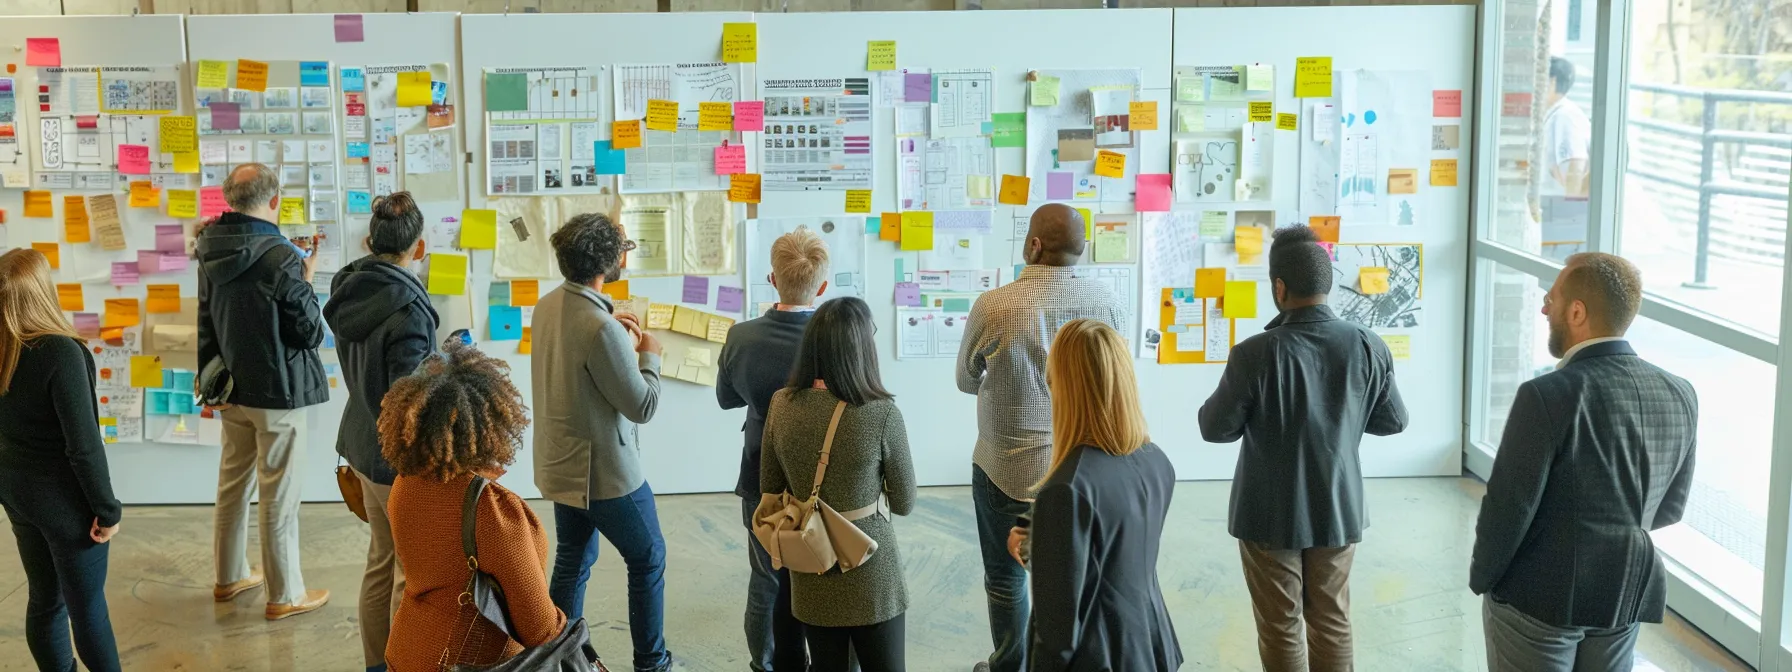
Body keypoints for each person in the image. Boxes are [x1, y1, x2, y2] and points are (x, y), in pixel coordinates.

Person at [1471, 253, 1697, 672]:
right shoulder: (1680, 391)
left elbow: (1510, 508)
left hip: (1539, 596)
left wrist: (1485, 579)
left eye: (1551, 299)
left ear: (1577, 312)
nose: (1543, 307)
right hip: (1626, 590)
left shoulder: (1548, 395)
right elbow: (1671, 508)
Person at [1198, 225, 1408, 672]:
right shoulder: (1368, 344)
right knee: (1332, 620)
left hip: (1268, 514)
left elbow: (1215, 429)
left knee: (1280, 626)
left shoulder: (1254, 353)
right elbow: (1394, 421)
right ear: (1327, 284)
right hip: (1337, 507)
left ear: (1279, 287)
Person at [955, 203, 1125, 672]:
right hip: (1084, 468)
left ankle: (1010, 664)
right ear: (1082, 248)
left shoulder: (994, 305)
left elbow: (967, 380)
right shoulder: (1106, 304)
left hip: (1003, 466)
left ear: (1032, 246)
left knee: (1005, 578)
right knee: (1081, 574)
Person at [532, 211, 672, 672]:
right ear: (606, 262)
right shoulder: (602, 328)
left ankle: (555, 660)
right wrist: (649, 355)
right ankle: (652, 664)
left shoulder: (548, 305)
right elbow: (643, 407)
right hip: (607, 475)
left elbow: (579, 365)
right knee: (648, 558)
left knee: (573, 559)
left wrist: (610, 320)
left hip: (563, 465)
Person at [380, 343, 567, 670]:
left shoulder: (405, 482)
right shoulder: (489, 509)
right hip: (460, 660)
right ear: (492, 423)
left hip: (406, 649)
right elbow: (539, 629)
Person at [197, 162, 330, 619]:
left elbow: (205, 319)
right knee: (279, 495)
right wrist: (308, 280)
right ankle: (284, 595)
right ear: (274, 201)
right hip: (277, 392)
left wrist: (211, 382)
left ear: (229, 199)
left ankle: (229, 576)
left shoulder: (208, 245)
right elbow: (308, 333)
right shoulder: (282, 256)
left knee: (231, 486)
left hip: (230, 386)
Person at [761, 297, 916, 672]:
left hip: (812, 567)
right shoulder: (881, 413)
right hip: (871, 569)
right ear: (863, 348)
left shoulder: (781, 404)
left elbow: (770, 484)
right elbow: (905, 501)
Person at [322, 192, 440, 672]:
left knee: (380, 560)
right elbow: (407, 402)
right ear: (421, 246)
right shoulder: (408, 309)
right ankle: (401, 664)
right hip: (395, 456)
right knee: (407, 573)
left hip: (359, 442)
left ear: (371, 241)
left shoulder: (348, 287)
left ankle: (377, 663)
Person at [1022, 319, 1181, 672]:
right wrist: (1042, 542)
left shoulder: (1068, 488)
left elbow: (1057, 633)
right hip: (1150, 642)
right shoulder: (1157, 462)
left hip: (1098, 656)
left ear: (1062, 385)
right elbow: (1113, 551)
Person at [0, 249, 123, 672]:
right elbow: (83, 447)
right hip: (65, 504)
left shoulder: (4, 348)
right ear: (42, 292)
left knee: (45, 601)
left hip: (17, 494)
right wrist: (107, 509)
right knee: (88, 611)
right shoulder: (60, 353)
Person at [717, 229, 830, 672]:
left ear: (772, 278)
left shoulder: (741, 336)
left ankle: (764, 664)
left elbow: (728, 400)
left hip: (760, 469)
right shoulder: (833, 338)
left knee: (766, 576)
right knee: (822, 573)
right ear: (821, 287)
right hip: (822, 473)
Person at [1544, 56, 1592, 197]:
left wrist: (1570, 212)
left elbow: (1575, 167)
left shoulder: (1563, 116)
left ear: (1551, 82)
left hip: (1564, 210)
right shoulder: (1556, 113)